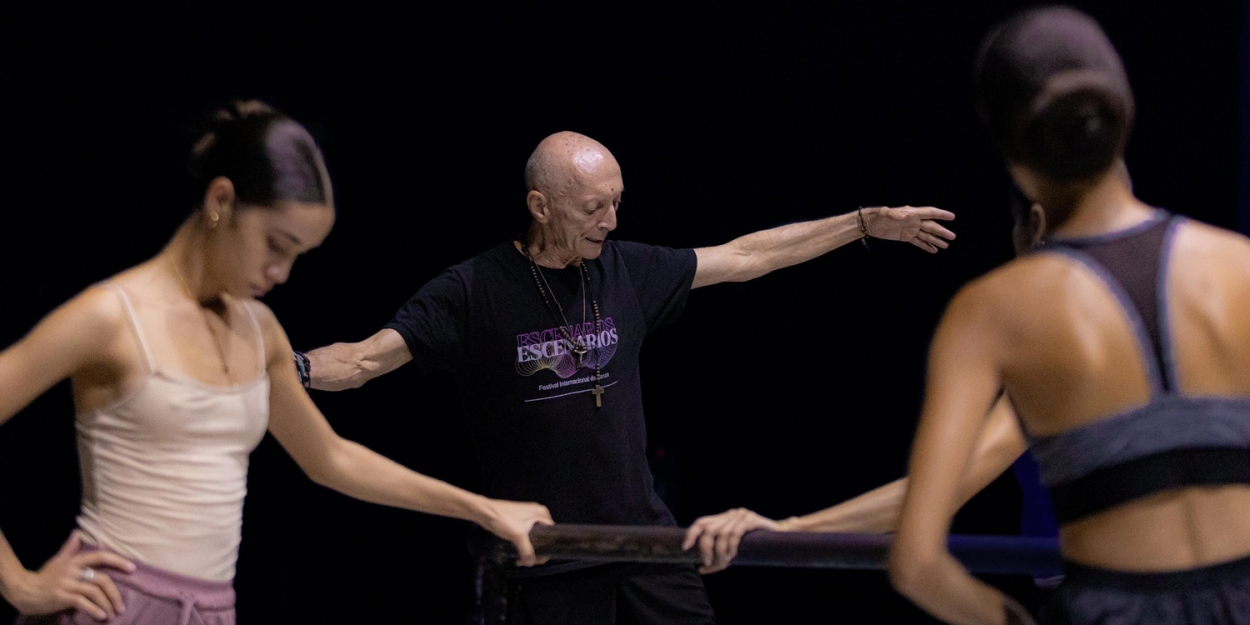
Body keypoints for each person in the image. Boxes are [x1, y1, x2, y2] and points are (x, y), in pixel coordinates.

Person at [299, 130, 957, 624]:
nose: (611, 222)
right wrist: (284, 369)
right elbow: (361, 359)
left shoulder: (626, 269)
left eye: (616, 202)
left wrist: (865, 222)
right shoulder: (472, 292)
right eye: (593, 207)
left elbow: (747, 256)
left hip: (648, 541)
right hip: (552, 551)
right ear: (541, 204)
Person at [0, 101, 551, 624]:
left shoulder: (257, 330)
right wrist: (20, 583)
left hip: (212, 607)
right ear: (221, 201)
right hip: (113, 603)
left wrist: (485, 509)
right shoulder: (111, 317)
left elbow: (332, 458)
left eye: (297, 255)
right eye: (275, 244)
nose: (282, 272)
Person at [886, 7, 1250, 625]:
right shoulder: (1239, 265)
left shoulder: (991, 313)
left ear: (1009, 150)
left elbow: (917, 561)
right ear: (1122, 115)